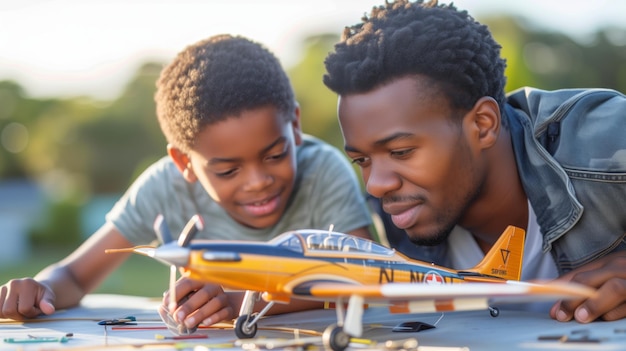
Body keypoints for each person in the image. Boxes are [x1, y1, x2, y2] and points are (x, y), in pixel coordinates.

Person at [0, 34, 373, 331]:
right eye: (228, 171)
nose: (259, 182)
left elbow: (361, 277)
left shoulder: (324, 169)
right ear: (183, 162)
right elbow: (74, 275)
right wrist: (41, 289)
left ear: (294, 125)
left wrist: (236, 300)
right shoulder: (163, 187)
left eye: (275, 155)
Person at [323, 0, 626, 323]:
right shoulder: (402, 212)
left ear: (483, 124)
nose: (377, 184)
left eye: (401, 152)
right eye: (361, 160)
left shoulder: (606, 141)